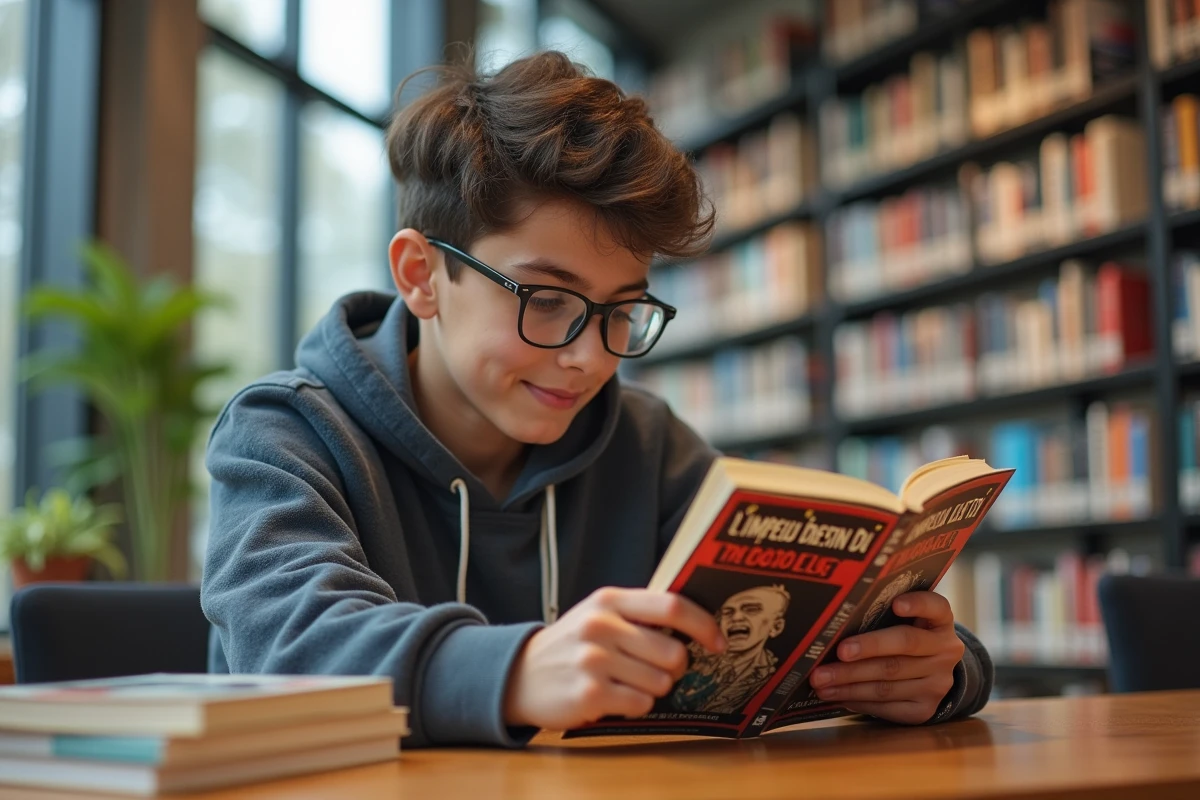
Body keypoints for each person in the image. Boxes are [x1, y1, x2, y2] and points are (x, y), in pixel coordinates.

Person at [201, 51, 987, 748]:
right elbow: (291, 645)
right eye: (546, 299)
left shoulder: (645, 441)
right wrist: (515, 670)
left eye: (621, 311)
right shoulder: (284, 431)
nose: (589, 358)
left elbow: (784, 642)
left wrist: (930, 672)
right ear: (421, 276)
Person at [671, 586, 790, 714]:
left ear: (776, 627)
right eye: (728, 612)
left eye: (751, 610)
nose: (736, 617)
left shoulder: (769, 675)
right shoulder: (693, 655)